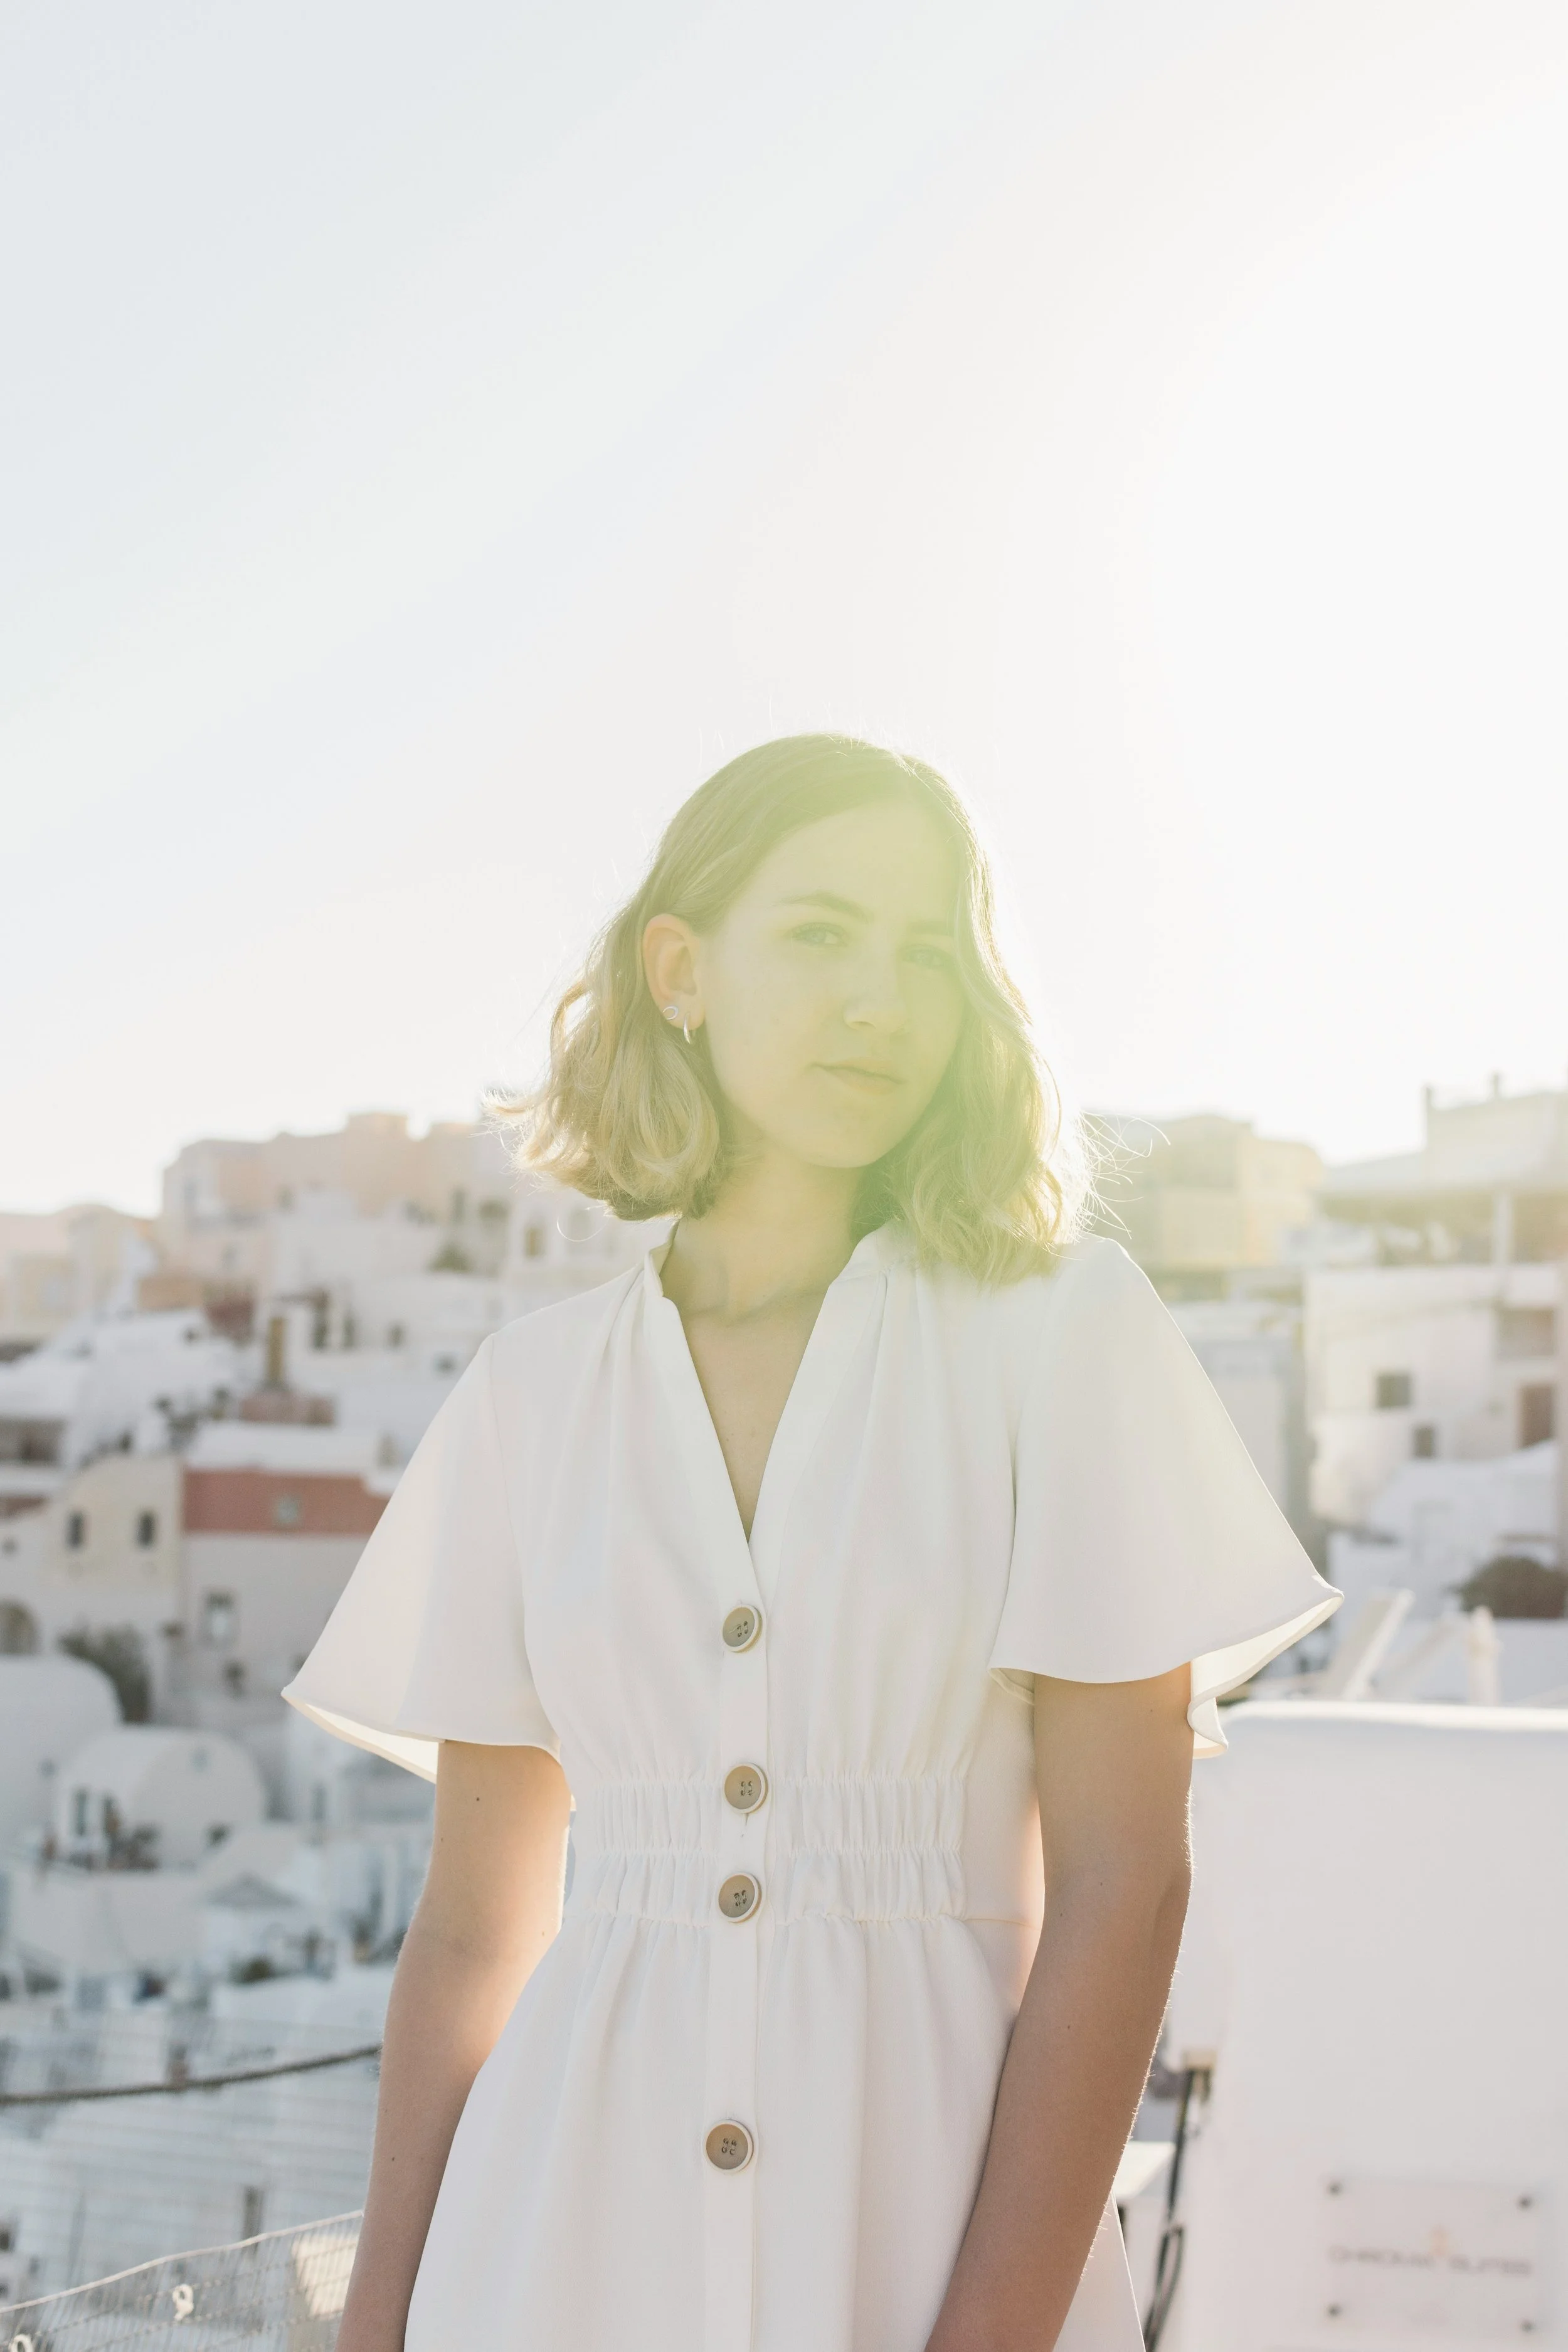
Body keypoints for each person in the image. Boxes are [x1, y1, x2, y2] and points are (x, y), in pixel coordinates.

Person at [285, 734, 1339, 2351]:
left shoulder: (1062, 1339)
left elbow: (1127, 1889)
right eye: (825, 933)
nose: (884, 999)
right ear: (680, 970)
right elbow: (474, 1929)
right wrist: (376, 2330)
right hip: (550, 2248)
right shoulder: (530, 1394)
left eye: (930, 952)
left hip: (922, 2236)